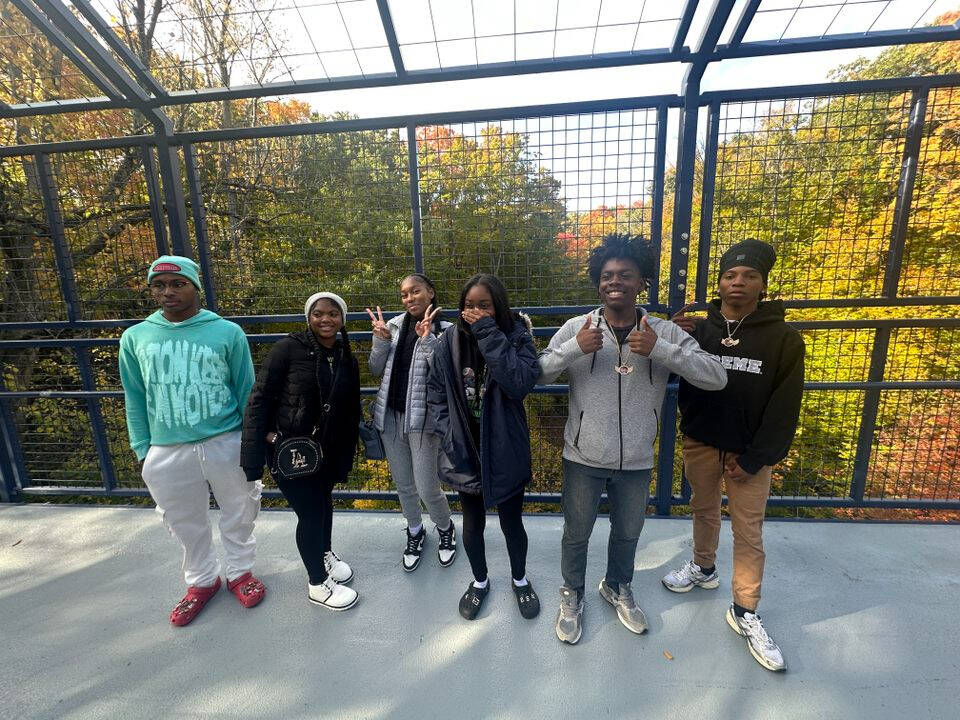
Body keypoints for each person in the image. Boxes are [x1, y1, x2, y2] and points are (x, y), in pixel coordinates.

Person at [537, 233, 727, 644]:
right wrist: (574, 349)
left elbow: (717, 377)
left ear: (642, 280)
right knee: (576, 533)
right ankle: (572, 593)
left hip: (638, 458)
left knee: (627, 534)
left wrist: (662, 350)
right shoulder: (577, 327)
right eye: (607, 275)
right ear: (598, 282)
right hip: (583, 456)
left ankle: (617, 585)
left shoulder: (663, 332)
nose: (614, 281)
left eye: (625, 274)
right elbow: (537, 373)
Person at [662, 238, 804, 672]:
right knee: (702, 508)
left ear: (763, 285)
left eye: (749, 276)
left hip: (750, 452)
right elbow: (667, 369)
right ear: (719, 283)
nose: (738, 283)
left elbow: (785, 407)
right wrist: (670, 331)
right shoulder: (699, 330)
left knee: (749, 529)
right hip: (702, 440)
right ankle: (703, 568)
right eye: (730, 275)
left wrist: (757, 456)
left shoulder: (783, 339)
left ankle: (745, 610)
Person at [118, 255, 266, 626]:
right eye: (159, 285)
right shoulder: (135, 338)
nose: (168, 292)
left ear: (195, 287)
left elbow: (246, 390)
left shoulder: (227, 333)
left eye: (177, 284)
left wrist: (250, 443)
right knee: (183, 520)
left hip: (225, 439)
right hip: (166, 447)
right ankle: (201, 581)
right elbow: (134, 396)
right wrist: (143, 449)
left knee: (240, 508)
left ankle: (240, 574)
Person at [424, 274, 540, 621]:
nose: (475, 311)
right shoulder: (447, 342)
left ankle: (520, 580)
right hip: (465, 449)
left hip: (506, 448)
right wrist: (449, 434)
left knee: (511, 524)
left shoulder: (517, 335)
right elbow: (435, 392)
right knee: (472, 526)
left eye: (484, 305)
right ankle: (480, 581)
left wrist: (489, 332)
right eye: (470, 305)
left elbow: (519, 382)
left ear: (498, 306)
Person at [241, 292, 362, 611]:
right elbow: (259, 399)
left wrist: (345, 453)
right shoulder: (287, 349)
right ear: (308, 317)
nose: (326, 319)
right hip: (289, 452)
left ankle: (324, 552)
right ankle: (317, 584)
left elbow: (348, 409)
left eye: (333, 314)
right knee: (310, 513)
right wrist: (262, 445)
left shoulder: (345, 355)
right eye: (318, 313)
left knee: (323, 503)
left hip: (325, 452)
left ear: (342, 319)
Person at [367, 274, 457, 573]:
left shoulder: (447, 330)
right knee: (404, 485)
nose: (409, 298)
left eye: (415, 291)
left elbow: (447, 377)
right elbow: (375, 369)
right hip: (389, 418)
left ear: (430, 292)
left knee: (427, 486)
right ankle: (415, 531)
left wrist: (427, 339)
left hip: (423, 421)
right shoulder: (390, 326)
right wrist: (380, 342)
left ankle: (445, 529)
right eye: (404, 294)